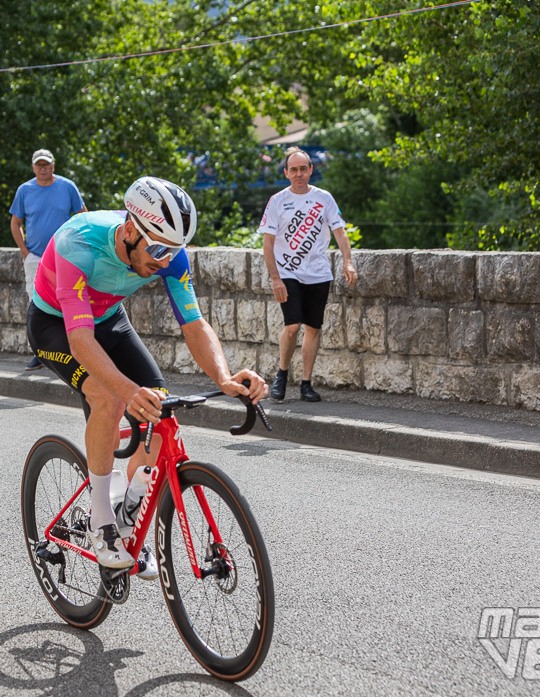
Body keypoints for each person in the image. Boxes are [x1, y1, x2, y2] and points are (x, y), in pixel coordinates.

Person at [27, 176, 268, 571]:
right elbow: (82, 341)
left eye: (173, 250)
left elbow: (194, 323)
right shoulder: (79, 243)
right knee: (109, 397)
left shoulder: (169, 255)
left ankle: (129, 515)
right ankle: (102, 521)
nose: (164, 259)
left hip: (108, 319)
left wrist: (223, 379)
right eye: (156, 247)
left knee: (159, 409)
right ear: (128, 232)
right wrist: (126, 391)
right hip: (57, 325)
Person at [259, 146, 358, 402]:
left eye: (304, 169)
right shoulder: (277, 201)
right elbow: (267, 243)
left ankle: (306, 383)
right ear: (286, 173)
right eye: (294, 170)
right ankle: (281, 375)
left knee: (313, 327)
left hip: (318, 274)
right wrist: (275, 278)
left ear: (311, 170)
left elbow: (340, 232)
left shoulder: (324, 198)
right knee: (292, 325)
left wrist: (348, 262)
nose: (299, 174)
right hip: (288, 272)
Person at [10, 148, 87, 370]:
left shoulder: (67, 186)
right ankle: (40, 353)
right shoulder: (25, 190)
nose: (42, 169)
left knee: (67, 302)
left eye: (46, 165)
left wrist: (77, 244)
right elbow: (16, 222)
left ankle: (70, 353)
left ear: (53, 166)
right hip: (35, 256)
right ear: (33, 167)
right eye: (39, 165)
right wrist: (24, 251)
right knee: (36, 305)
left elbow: (82, 215)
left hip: (64, 255)